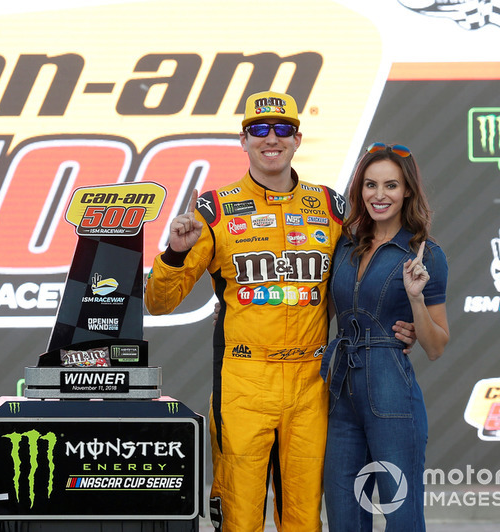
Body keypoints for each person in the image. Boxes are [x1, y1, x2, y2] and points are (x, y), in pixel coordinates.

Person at [144, 91, 414, 531]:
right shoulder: (214, 210)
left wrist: (403, 321)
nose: (272, 138)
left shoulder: (330, 208)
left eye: (283, 129)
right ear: (244, 139)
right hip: (244, 383)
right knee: (240, 516)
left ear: (298, 139)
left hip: (311, 384)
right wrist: (175, 252)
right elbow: (159, 302)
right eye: (260, 129)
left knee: (304, 519)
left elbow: (363, 276)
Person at [320, 142, 450, 531]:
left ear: (407, 190)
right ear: (360, 190)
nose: (380, 195)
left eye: (391, 186)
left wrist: (415, 300)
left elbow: (436, 345)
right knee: (343, 516)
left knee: (402, 517)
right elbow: (322, 313)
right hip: (340, 395)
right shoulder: (342, 246)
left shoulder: (424, 253)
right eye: (371, 185)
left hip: (392, 395)